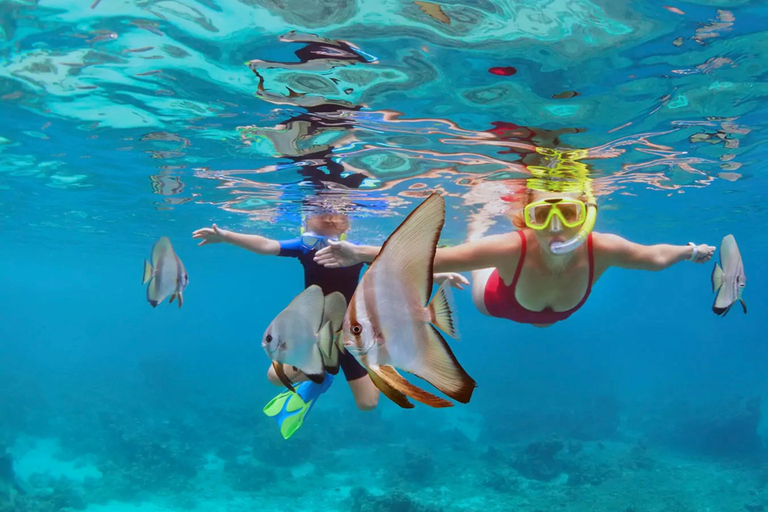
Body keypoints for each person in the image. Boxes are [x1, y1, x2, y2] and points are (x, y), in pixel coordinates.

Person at [192, 211, 467, 437]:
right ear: (305, 219)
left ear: (348, 222)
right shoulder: (303, 246)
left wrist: (441, 276)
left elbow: (400, 270)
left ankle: (322, 378)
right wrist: (226, 236)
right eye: (322, 213)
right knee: (275, 377)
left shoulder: (355, 251)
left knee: (368, 404)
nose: (332, 218)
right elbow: (266, 245)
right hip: (311, 332)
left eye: (339, 214)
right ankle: (317, 376)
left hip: (354, 333)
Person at [313, 181, 716, 329]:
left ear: (587, 216)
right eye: (542, 215)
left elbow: (654, 256)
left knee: (475, 258)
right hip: (496, 301)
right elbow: (428, 258)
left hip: (551, 314)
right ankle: (477, 227)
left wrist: (689, 250)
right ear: (528, 219)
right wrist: (360, 252)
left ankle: (475, 239)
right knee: (473, 255)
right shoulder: (512, 247)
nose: (556, 227)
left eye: (569, 213)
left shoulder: (604, 248)